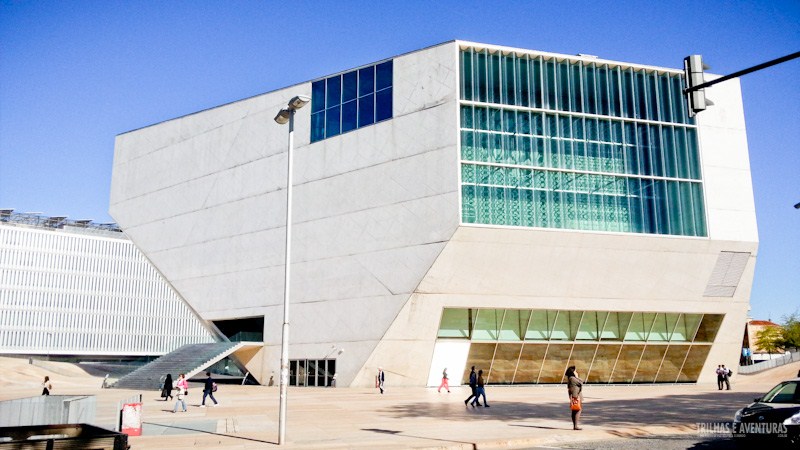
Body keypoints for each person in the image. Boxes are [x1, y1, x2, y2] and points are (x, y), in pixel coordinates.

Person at [566, 366, 583, 430]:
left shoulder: (571, 378)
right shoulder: (572, 378)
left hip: (575, 395)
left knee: (575, 410)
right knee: (578, 409)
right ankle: (575, 426)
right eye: (575, 371)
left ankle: (575, 425)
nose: (576, 372)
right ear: (572, 372)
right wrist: (577, 376)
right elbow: (581, 383)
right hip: (576, 396)